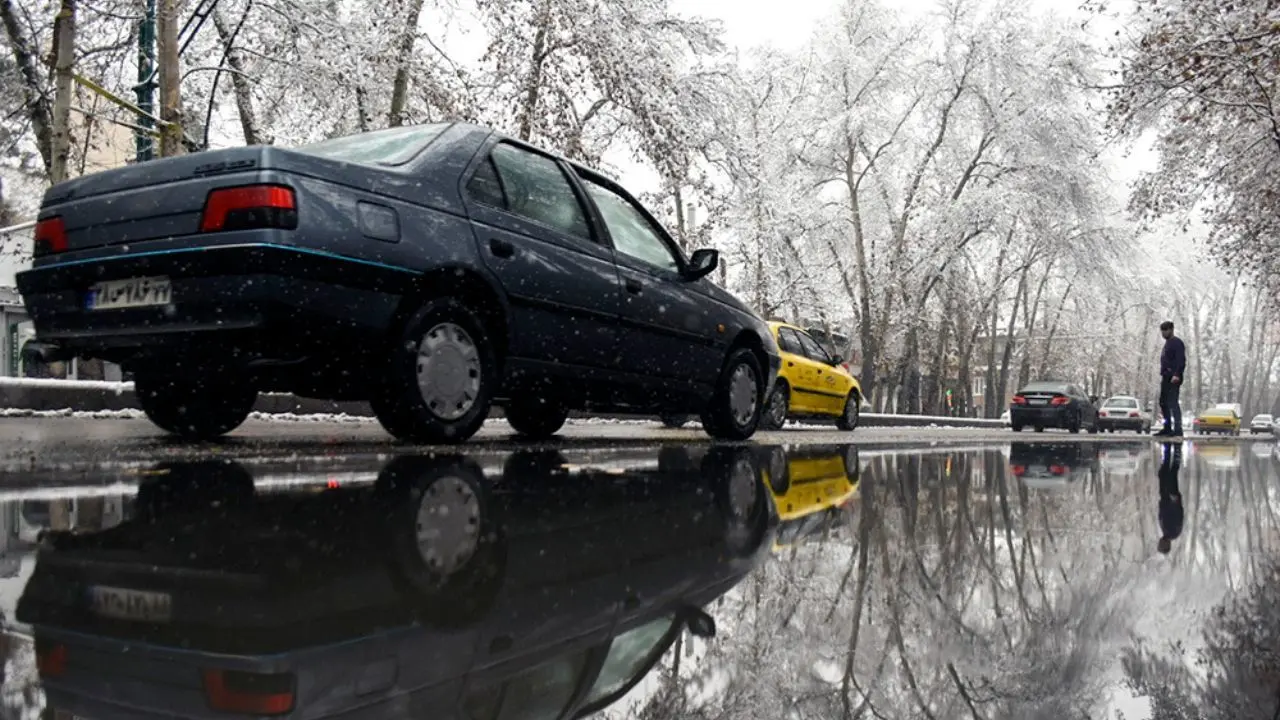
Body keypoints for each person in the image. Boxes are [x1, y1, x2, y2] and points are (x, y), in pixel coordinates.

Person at [1156, 320, 1186, 437]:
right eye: (1162, 331)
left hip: (1173, 377)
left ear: (1171, 330)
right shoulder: (1167, 343)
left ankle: (1178, 428)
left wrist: (1177, 374)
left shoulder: (1176, 343)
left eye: (1165, 330)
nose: (1163, 333)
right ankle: (1167, 427)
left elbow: (1181, 360)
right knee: (1163, 402)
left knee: (1172, 402)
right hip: (1165, 376)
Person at [1156, 441, 1183, 554]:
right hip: (1171, 498)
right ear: (1166, 545)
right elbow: (1178, 515)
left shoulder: (1166, 532)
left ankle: (1167, 448)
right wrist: (1175, 501)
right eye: (1161, 545)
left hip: (1165, 497)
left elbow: (1162, 515)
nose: (1159, 542)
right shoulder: (1173, 532)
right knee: (1171, 472)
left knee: (1164, 472)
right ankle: (1176, 449)